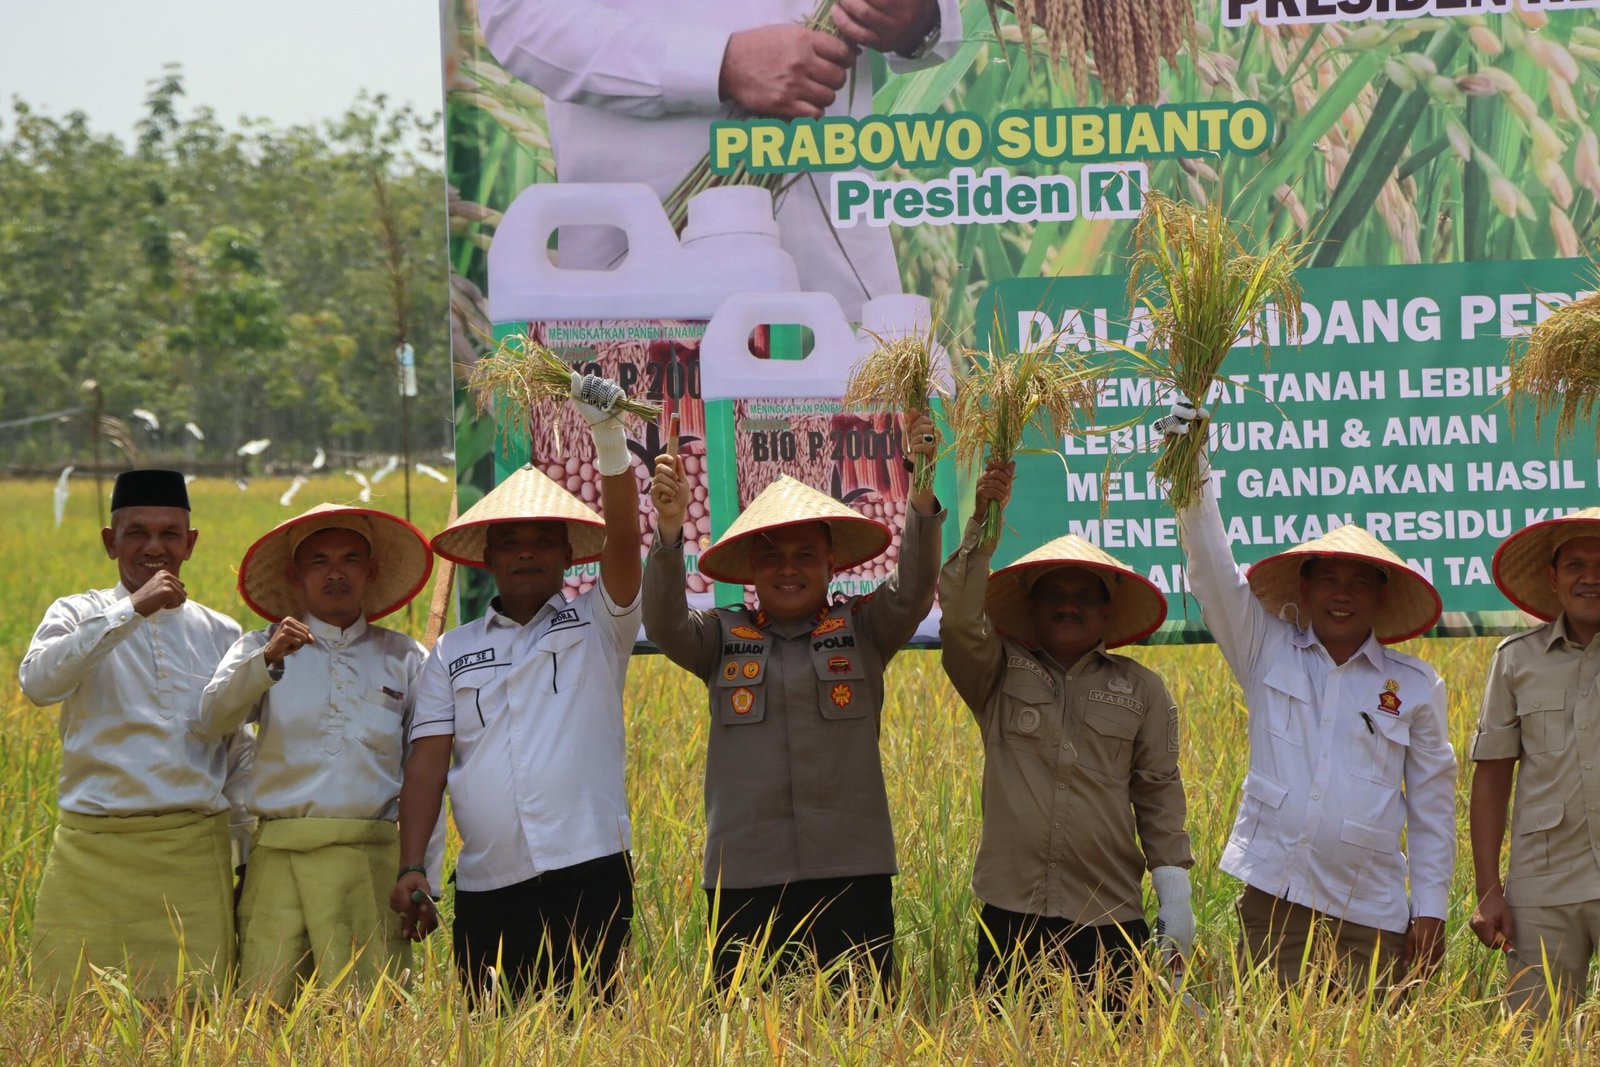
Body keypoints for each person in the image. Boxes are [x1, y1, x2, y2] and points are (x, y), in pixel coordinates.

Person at [1160, 401, 1455, 991]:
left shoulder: (1416, 687)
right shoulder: (1266, 648)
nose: (1342, 595)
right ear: (1305, 586)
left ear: (1379, 595)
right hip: (1276, 898)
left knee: (1370, 1038)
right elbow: (1213, 570)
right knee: (1263, 1035)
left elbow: (1432, 808)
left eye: (1359, 583)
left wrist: (1431, 909)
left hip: (1370, 912)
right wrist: (1192, 467)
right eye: (1329, 580)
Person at [643, 410, 941, 986]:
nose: (788, 569)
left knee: (862, 1022)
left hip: (852, 869)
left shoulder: (864, 628)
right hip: (746, 875)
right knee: (749, 1022)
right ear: (750, 568)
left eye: (805, 555)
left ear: (831, 564)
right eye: (771, 556)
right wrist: (670, 529)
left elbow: (912, 590)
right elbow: (663, 624)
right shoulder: (721, 636)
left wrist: (922, 489)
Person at [392, 376, 642, 1002]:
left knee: (594, 1031)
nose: (526, 554)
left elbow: (624, 543)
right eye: (510, 542)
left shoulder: (598, 625)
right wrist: (413, 864)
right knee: (494, 1034)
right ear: (488, 557)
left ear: (568, 555)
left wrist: (609, 440)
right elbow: (427, 766)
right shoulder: (452, 652)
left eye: (541, 542)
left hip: (589, 869)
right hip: (488, 883)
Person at [476, 0, 962, 319]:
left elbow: (924, 16)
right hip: (642, 280)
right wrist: (718, 63)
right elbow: (518, 17)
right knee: (663, 442)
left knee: (858, 445)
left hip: (835, 273)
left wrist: (919, 18)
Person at [938, 458, 1193, 1003]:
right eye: (1054, 594)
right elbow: (958, 620)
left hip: (1108, 914)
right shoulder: (996, 671)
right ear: (1032, 607)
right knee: (1006, 1040)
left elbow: (1159, 793)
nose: (1069, 605)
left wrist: (1175, 896)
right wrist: (982, 524)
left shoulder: (1142, 689)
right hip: (1011, 910)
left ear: (1106, 612)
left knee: (1118, 1041)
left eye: (1085, 595)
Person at [18, 469, 252, 999]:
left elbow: (236, 752)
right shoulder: (75, 613)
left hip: (192, 858)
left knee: (194, 1020)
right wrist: (131, 610)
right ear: (110, 542)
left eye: (170, 534)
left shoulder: (221, 632)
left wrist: (247, 855)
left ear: (190, 544)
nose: (154, 547)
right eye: (136, 533)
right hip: (93, 854)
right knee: (72, 1017)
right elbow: (39, 683)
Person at [196, 503, 439, 1003]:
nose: (335, 573)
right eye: (319, 561)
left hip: (368, 865)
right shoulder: (260, 647)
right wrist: (266, 661)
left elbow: (427, 774)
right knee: (268, 1011)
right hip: (280, 860)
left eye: (350, 560)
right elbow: (212, 720)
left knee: (369, 1017)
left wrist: (422, 878)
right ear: (295, 575)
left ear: (371, 572)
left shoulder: (405, 658)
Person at [1469, 508, 1600, 1019]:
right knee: (1536, 1040)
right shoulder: (1516, 660)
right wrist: (1487, 891)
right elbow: (1491, 778)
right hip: (1544, 883)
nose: (1591, 577)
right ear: (1553, 577)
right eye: (1576, 565)